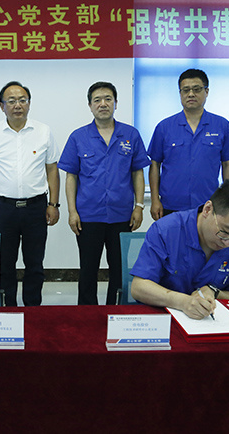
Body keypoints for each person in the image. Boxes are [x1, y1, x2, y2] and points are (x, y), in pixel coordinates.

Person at [58, 82, 150, 305]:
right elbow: (71, 177)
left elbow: (138, 172)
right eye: (97, 100)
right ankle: (87, 313)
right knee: (88, 269)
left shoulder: (130, 134)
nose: (103, 104)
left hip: (122, 215)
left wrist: (139, 206)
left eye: (108, 99)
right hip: (88, 215)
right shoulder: (78, 137)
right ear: (90, 105)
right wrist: (72, 212)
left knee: (119, 269)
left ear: (116, 103)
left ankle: (115, 310)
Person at [0, 81, 61, 306]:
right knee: (4, 263)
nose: (17, 105)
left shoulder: (43, 131)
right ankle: (8, 308)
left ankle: (33, 309)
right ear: (1, 106)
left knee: (35, 263)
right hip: (4, 208)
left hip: (36, 207)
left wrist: (54, 204)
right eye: (11, 101)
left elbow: (52, 169)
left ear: (29, 104)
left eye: (22, 100)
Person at [130, 180, 229, 320]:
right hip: (164, 318)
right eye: (225, 232)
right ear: (207, 209)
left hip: (211, 323)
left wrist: (214, 292)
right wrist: (182, 302)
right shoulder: (166, 230)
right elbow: (138, 287)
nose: (228, 243)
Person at [147, 69, 229, 220]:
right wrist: (154, 200)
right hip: (171, 204)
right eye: (186, 90)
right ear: (180, 93)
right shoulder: (164, 127)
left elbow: (227, 164)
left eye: (197, 89)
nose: (191, 94)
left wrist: (228, 198)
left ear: (206, 91)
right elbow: (154, 165)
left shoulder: (222, 125)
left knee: (208, 237)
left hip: (208, 204)